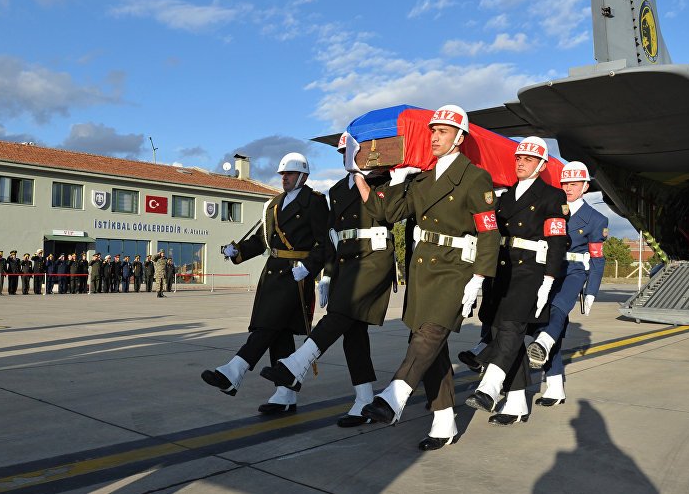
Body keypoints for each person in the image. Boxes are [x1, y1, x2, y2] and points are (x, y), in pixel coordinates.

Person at [358, 105, 501, 450]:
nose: (435, 137)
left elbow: (488, 232)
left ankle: (395, 396)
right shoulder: (422, 178)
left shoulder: (474, 177)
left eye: (443, 132)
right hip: (424, 269)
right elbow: (389, 213)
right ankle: (444, 422)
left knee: (430, 334)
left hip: (457, 268)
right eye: (433, 131)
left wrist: (479, 277)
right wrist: (395, 179)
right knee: (432, 348)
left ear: (459, 138)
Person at [260, 132, 397, 428]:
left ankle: (296, 364)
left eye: (351, 152)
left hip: (374, 258)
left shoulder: (385, 180)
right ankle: (363, 400)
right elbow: (331, 238)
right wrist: (327, 274)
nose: (347, 157)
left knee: (339, 314)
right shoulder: (336, 190)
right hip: (347, 261)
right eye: (343, 153)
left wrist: (365, 178)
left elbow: (386, 214)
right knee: (354, 333)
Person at [201, 151, 328, 416]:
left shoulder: (314, 202)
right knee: (277, 334)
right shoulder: (273, 205)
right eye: (283, 174)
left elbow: (325, 242)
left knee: (268, 327)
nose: (285, 179)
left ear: (303, 176)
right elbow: (261, 240)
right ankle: (285, 394)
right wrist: (238, 252)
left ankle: (233, 371)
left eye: (290, 174)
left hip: (296, 275)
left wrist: (310, 268)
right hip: (273, 273)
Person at [465, 136, 569, 426]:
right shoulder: (504, 196)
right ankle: (517, 402)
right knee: (501, 332)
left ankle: (489, 387)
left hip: (530, 272)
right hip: (503, 269)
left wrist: (549, 279)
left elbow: (558, 240)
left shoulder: (552, 196)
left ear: (541, 165)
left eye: (529, 159)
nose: (521, 162)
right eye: (519, 158)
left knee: (511, 327)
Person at [524, 161, 608, 407]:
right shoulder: (550, 209)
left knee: (558, 309)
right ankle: (555, 387)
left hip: (574, 272)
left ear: (585, 187)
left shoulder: (595, 219)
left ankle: (543, 344)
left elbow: (597, 258)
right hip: (547, 268)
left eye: (574, 184)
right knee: (547, 324)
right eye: (565, 184)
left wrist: (591, 290)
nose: (568, 188)